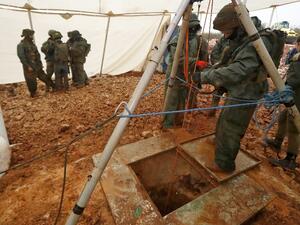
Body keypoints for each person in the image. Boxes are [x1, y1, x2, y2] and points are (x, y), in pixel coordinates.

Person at [199, 4, 272, 172]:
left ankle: (224, 164)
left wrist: (204, 77)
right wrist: (211, 71)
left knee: (232, 126)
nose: (225, 36)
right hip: (240, 89)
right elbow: (228, 60)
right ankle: (220, 142)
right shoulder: (245, 37)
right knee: (225, 118)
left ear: (237, 26)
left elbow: (239, 69)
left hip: (247, 92)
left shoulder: (257, 40)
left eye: (226, 32)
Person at [208, 16, 264, 117]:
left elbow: (244, 66)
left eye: (228, 32)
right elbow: (215, 52)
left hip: (237, 77)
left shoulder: (252, 41)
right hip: (223, 72)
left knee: (232, 99)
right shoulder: (224, 39)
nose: (226, 35)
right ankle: (212, 110)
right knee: (217, 92)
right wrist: (218, 65)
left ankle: (226, 115)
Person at [163, 13, 209, 128]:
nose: (193, 30)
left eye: (195, 28)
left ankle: (178, 121)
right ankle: (167, 124)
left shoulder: (194, 40)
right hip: (175, 74)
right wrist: (196, 62)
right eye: (191, 28)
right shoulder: (176, 41)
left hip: (186, 74)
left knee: (182, 98)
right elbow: (179, 59)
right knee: (171, 99)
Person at [266, 38, 300, 170]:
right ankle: (277, 142)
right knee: (283, 118)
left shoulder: (298, 60)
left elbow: (294, 80)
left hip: (296, 99)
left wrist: (283, 92)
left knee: (294, 128)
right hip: (295, 96)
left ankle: (290, 159)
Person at [17, 29, 55, 97]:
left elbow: (37, 55)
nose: (32, 36)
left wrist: (40, 64)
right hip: (29, 66)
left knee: (44, 77)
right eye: (31, 35)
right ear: (27, 35)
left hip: (37, 66)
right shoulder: (21, 45)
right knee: (31, 81)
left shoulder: (32, 44)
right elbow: (21, 57)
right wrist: (27, 66)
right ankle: (33, 93)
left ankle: (53, 87)